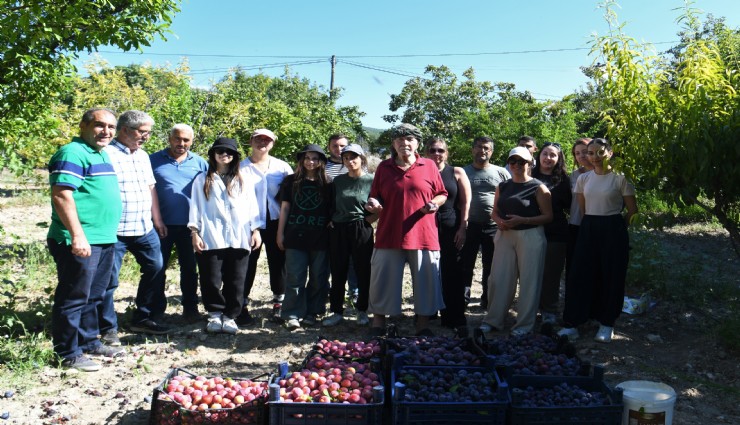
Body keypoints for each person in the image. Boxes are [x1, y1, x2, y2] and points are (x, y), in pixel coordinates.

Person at [47, 108, 125, 372]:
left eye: (111, 127)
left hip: (103, 238)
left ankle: (89, 341)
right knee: (74, 296)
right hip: (80, 239)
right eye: (99, 125)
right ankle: (67, 353)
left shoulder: (100, 153)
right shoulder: (73, 152)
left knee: (94, 294)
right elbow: (61, 194)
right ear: (83, 125)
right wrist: (78, 236)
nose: (106, 131)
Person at [365, 123, 447, 337]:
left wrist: (435, 204)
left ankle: (422, 325)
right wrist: (373, 203)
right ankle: (378, 323)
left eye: (409, 139)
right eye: (400, 140)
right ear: (393, 144)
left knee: (426, 281)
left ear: (417, 143)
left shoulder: (429, 165)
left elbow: (442, 193)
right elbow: (375, 195)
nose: (405, 143)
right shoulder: (384, 167)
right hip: (389, 234)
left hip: (423, 234)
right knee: (382, 280)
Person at [558, 138, 638, 343]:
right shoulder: (584, 179)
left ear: (610, 153)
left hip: (613, 227)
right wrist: (591, 225)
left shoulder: (620, 178)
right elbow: (584, 209)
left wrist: (618, 229)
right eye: (590, 153)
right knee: (580, 274)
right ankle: (574, 322)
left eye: (599, 152)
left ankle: (607, 323)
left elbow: (632, 211)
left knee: (612, 275)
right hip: (589, 226)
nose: (594, 157)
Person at [102, 110, 169, 339]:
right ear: (124, 130)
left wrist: (157, 219)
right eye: (142, 132)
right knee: (109, 280)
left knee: (156, 267)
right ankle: (107, 327)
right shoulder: (106, 154)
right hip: (114, 229)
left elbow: (151, 188)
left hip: (143, 226)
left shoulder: (142, 156)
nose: (146, 137)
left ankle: (143, 317)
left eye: (148, 133)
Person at [188, 137, 261, 334]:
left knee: (236, 279)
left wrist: (255, 230)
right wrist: (195, 233)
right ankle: (214, 314)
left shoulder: (243, 179)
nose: (224, 155)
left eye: (229, 152)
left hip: (239, 236)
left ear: (235, 156)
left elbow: (253, 207)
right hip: (211, 236)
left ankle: (230, 316)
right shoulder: (202, 179)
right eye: (220, 151)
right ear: (213, 155)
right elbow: (195, 207)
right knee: (211, 278)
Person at [480, 146, 553, 336]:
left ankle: (523, 325)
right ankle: (493, 320)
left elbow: (548, 216)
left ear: (530, 164)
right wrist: (499, 221)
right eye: (513, 161)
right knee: (498, 279)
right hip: (505, 235)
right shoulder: (502, 186)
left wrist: (523, 220)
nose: (517, 165)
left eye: (522, 162)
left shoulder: (539, 187)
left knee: (530, 281)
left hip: (531, 235)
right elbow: (494, 211)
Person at [150, 124, 208, 324]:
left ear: (192, 141)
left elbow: (208, 194)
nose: (181, 143)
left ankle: (190, 309)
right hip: (160, 225)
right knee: (158, 267)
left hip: (190, 227)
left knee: (190, 268)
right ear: (170, 138)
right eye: (177, 139)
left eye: (186, 140)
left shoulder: (200, 163)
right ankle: (156, 309)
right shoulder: (152, 160)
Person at [238, 128, 292, 325]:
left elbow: (291, 194)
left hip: (277, 220)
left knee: (278, 262)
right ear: (251, 141)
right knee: (247, 262)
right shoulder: (241, 167)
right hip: (249, 222)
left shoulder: (282, 167)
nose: (262, 142)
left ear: (273, 143)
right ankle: (241, 304)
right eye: (258, 139)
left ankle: (279, 303)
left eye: (267, 139)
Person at [277, 144, 332, 330]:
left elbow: (333, 211)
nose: (311, 162)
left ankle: (313, 312)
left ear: (321, 162)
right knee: (295, 277)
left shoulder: (329, 183)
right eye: (307, 158)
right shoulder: (290, 181)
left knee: (319, 276)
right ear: (301, 160)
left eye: (315, 159)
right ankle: (292, 313)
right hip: (295, 236)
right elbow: (284, 208)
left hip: (320, 237)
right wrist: (280, 233)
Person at [322, 144, 376, 327]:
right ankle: (336, 311)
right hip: (338, 229)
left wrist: (371, 219)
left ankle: (362, 310)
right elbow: (329, 203)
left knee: (363, 270)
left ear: (362, 158)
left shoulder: (371, 180)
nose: (350, 161)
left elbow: (381, 203)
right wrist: (330, 219)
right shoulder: (337, 181)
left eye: (354, 157)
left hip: (361, 227)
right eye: (346, 158)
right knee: (338, 270)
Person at [424, 137, 471, 335]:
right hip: (426, 226)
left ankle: (455, 316)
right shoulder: (421, 171)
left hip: (451, 226)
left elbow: (466, 202)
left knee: (452, 271)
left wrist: (463, 228)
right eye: (433, 150)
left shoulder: (457, 172)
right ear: (426, 152)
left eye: (440, 150)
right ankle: (430, 312)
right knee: (428, 270)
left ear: (447, 152)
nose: (437, 154)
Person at [461, 136, 510, 309]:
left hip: (493, 226)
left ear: (492, 151)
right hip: (468, 225)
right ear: (472, 149)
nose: (483, 150)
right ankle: (463, 299)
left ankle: (488, 299)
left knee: (491, 264)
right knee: (466, 263)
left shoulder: (501, 172)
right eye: (479, 147)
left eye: (486, 148)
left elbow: (509, 197)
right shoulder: (463, 171)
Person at [532, 142, 572, 324]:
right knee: (530, 272)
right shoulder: (528, 175)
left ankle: (549, 310)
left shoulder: (564, 180)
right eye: (545, 154)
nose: (548, 158)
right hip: (530, 230)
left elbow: (570, 207)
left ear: (559, 159)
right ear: (539, 155)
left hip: (556, 232)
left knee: (552, 273)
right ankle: (530, 309)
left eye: (553, 155)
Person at [324, 133, 360, 305]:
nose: (338, 149)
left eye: (342, 146)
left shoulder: (355, 164)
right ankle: (332, 290)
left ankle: (354, 291)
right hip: (330, 220)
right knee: (332, 258)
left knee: (354, 259)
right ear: (329, 147)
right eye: (335, 146)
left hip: (353, 222)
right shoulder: (322, 165)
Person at [565, 138, 593, 282]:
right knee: (574, 264)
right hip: (575, 223)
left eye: (584, 151)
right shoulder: (575, 175)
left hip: (595, 223)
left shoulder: (607, 174)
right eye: (577, 153)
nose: (581, 156)